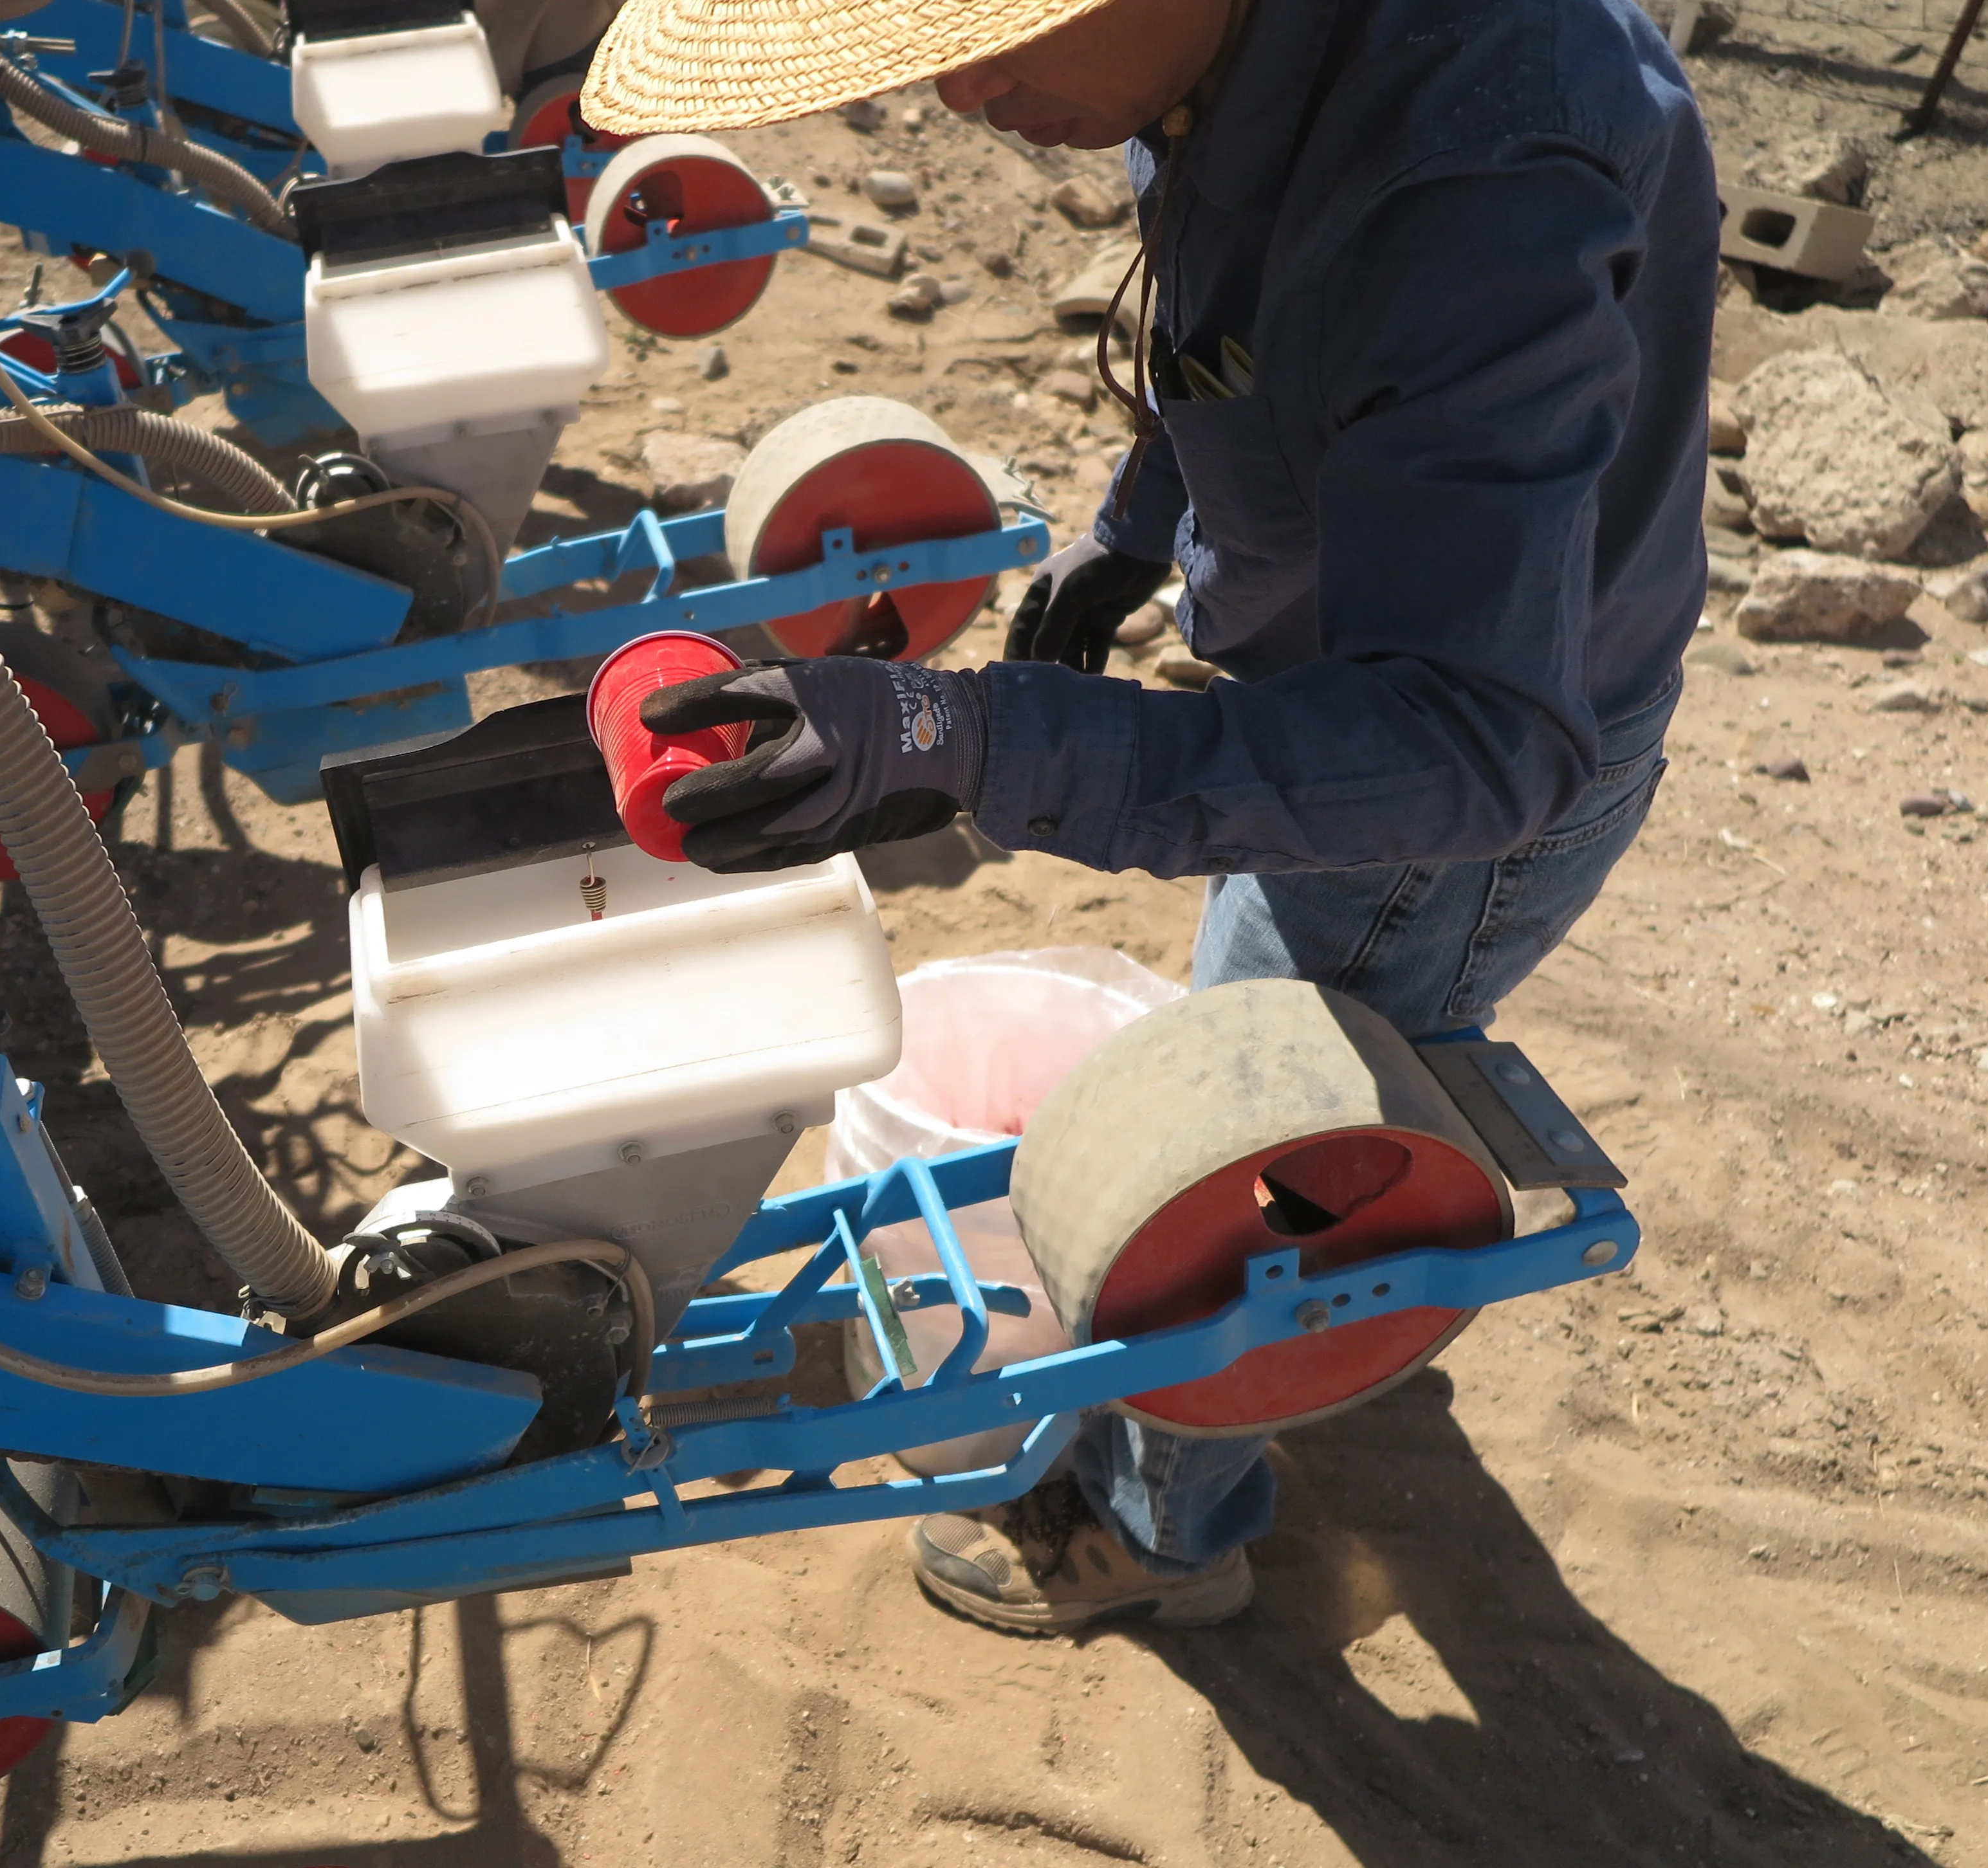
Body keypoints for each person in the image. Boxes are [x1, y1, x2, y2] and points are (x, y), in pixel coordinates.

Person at [579, 0, 1713, 1631]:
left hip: (1425, 782)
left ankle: (1161, 1531)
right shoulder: (1215, 58)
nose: (967, 89)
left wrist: (968, 734)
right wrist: (1138, 525)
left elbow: (1473, 743)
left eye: (997, 26)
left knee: (1253, 1151)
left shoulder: (1476, 175)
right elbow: (1237, 314)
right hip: (1369, 679)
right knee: (1261, 1071)